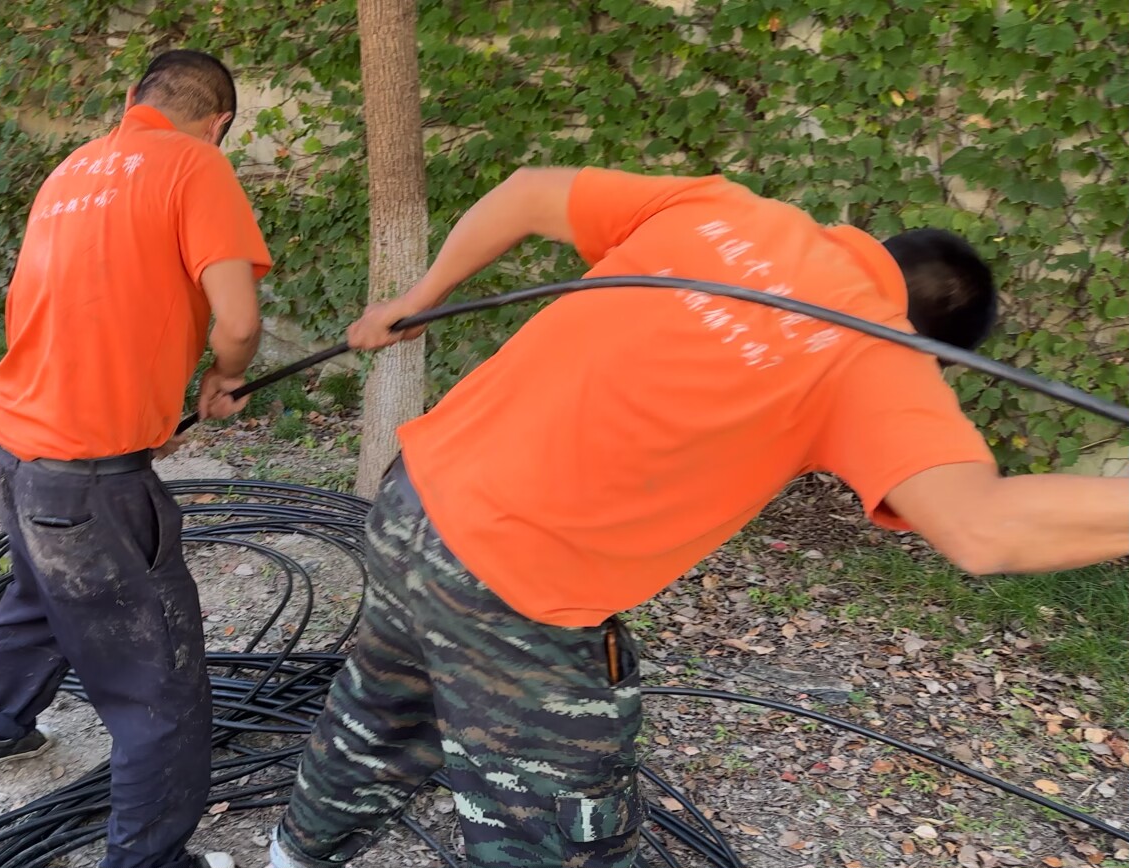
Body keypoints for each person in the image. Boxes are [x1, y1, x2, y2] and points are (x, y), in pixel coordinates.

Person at [266, 166, 1129, 868]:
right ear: (939, 347)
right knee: (564, 832)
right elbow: (985, 529)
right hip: (516, 590)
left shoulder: (722, 208)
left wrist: (415, 298)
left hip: (411, 500)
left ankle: (290, 858)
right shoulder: (879, 356)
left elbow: (529, 190)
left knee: (381, 711)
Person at [0, 50, 271, 868]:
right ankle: (150, 858)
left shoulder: (72, 170)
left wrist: (146, 407)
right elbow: (236, 319)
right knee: (160, 682)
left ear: (131, 98)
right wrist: (228, 375)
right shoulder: (195, 163)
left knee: (37, 591)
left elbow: (86, 309)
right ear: (219, 123)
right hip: (88, 480)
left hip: (12, 447)